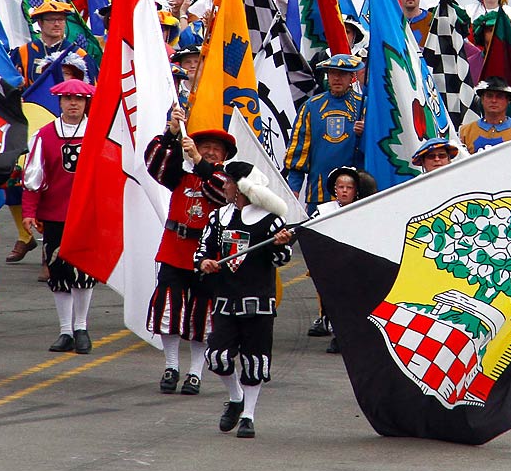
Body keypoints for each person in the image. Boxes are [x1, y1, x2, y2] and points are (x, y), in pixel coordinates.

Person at [196, 167, 294, 438]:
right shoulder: (218, 216)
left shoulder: (271, 221)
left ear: (241, 188)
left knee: (254, 360)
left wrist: (279, 244)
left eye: (228, 182)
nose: (224, 186)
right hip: (226, 299)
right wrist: (205, 262)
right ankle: (235, 397)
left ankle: (248, 415)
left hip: (258, 301)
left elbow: (282, 259)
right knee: (217, 356)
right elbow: (203, 250)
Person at [145, 111, 238, 396]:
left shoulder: (228, 179)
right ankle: (171, 366)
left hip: (208, 256)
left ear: (224, 154)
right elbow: (154, 165)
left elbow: (220, 193)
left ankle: (195, 373)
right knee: (168, 311)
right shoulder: (181, 174)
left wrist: (198, 161)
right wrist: (171, 133)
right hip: (175, 248)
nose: (209, 152)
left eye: (215, 149)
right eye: (204, 146)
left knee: (202, 316)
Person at [21, 80, 99, 354]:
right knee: (58, 274)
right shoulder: (44, 136)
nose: (73, 103)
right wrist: (29, 212)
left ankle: (81, 327)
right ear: (60, 101)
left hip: (87, 215)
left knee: (84, 273)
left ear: (87, 102)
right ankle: (65, 330)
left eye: (79, 98)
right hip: (55, 215)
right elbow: (33, 178)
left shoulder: (99, 133)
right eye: (68, 98)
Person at [283, 53, 364, 215]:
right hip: (319, 192)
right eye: (333, 73)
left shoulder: (364, 105)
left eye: (342, 74)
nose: (337, 78)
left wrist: (365, 134)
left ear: (352, 77)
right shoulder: (311, 106)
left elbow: (377, 148)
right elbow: (299, 151)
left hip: (356, 193)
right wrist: (294, 188)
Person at [458, 79, 511, 152]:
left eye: (499, 96)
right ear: (482, 99)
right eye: (489, 96)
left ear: (507, 101)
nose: (494, 100)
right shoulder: (465, 132)